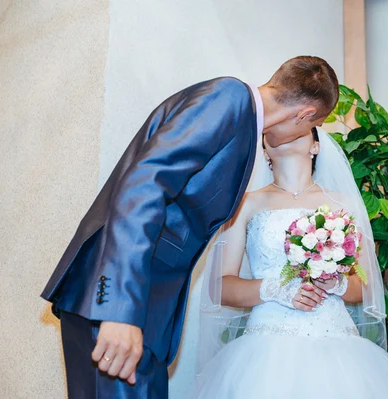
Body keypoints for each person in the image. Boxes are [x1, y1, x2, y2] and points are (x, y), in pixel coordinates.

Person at [40, 56, 339, 398]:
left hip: (147, 312)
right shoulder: (228, 98)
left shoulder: (242, 124)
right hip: (121, 303)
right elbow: (144, 186)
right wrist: (120, 311)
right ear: (305, 116)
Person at [192, 128, 388, 398]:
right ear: (265, 151)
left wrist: (337, 283)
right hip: (265, 351)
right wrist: (278, 290)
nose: (285, 129)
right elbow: (220, 287)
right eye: (273, 129)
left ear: (315, 146)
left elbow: (366, 286)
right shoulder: (244, 205)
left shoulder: (343, 203)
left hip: (339, 348)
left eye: (297, 126)